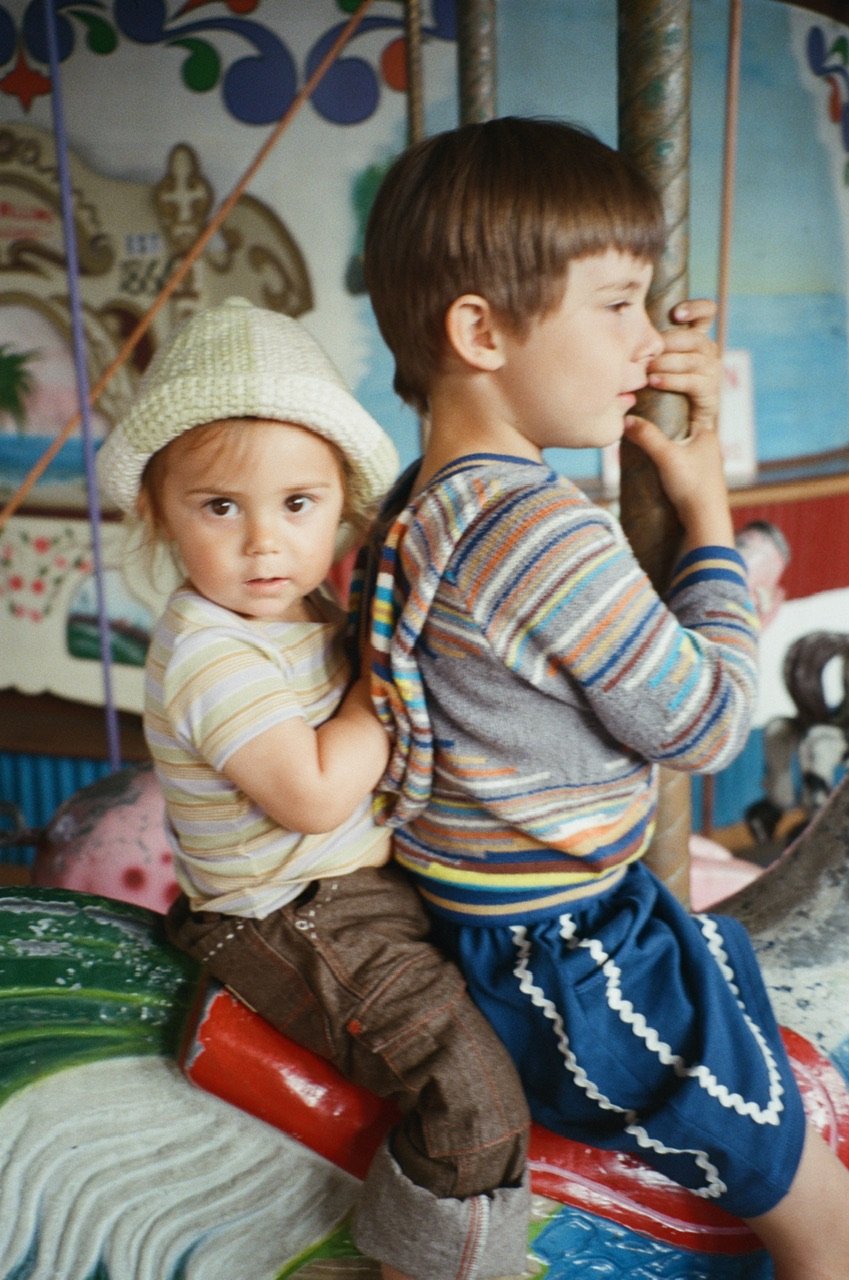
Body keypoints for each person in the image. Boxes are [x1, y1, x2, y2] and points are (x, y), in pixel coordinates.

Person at [359, 117, 849, 1280]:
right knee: (829, 1216)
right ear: (479, 329)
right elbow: (712, 720)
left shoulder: (418, 501)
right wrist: (715, 521)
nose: (646, 338)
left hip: (500, 920)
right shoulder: (539, 529)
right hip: (573, 957)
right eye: (618, 304)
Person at [95, 297, 531, 1280]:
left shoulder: (304, 610)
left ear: (340, 505)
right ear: (162, 512)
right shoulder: (212, 650)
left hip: (353, 894)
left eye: (296, 504)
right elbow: (319, 793)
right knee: (472, 1093)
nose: (262, 544)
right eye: (220, 506)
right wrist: (389, 669)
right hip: (291, 916)